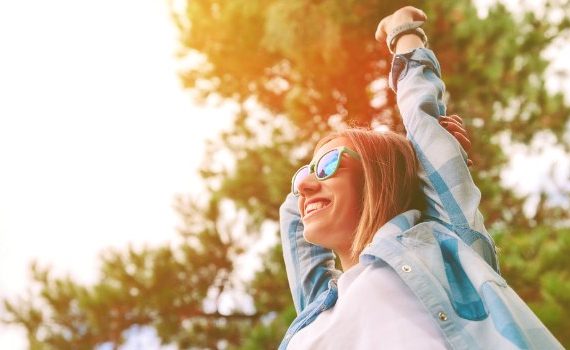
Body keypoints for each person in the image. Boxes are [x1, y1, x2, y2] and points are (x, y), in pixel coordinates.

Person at [278, 6, 562, 350]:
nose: (306, 186)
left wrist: (403, 34)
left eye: (327, 166)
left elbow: (421, 118)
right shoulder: (319, 307)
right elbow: (294, 212)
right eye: (304, 177)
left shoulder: (442, 251)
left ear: (380, 179)